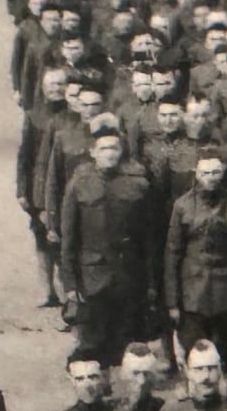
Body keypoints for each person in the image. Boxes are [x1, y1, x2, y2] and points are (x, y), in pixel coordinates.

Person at [58, 123, 160, 364]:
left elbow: (149, 238)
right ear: (93, 152)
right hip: (92, 275)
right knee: (94, 338)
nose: (110, 153)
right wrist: (70, 284)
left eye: (114, 148)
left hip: (128, 273)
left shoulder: (138, 184)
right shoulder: (79, 183)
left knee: (126, 335)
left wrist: (151, 280)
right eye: (103, 149)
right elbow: (69, 239)